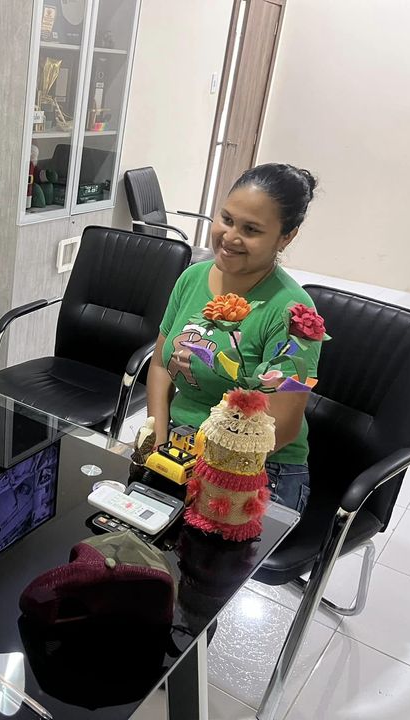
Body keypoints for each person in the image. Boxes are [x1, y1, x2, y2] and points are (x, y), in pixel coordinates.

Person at [146, 163, 321, 513]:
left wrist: (207, 474)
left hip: (257, 467)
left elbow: (283, 426)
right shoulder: (192, 279)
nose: (230, 237)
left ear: (286, 237)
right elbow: (161, 366)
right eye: (226, 219)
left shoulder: (294, 314)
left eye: (251, 229)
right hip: (182, 447)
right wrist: (158, 441)